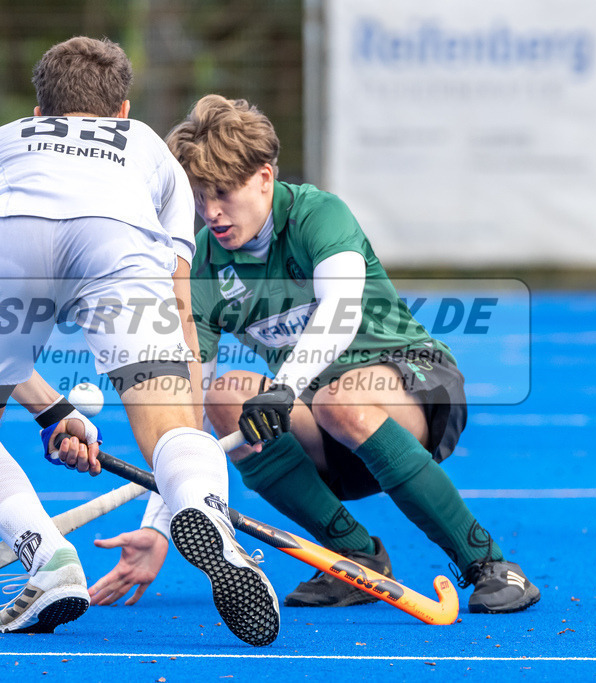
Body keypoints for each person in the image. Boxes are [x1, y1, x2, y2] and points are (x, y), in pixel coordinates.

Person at [88, 94, 540, 615]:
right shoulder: (205, 268)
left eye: (223, 192)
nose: (210, 212)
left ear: (264, 176)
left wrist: (283, 389)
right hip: (326, 422)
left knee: (338, 397)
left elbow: (340, 314)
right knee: (225, 397)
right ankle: (354, 558)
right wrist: (160, 528)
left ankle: (488, 563)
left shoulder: (317, 215)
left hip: (418, 386)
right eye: (198, 195)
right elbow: (185, 418)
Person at [0, 42, 279, 646]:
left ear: (38, 112)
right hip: (116, 235)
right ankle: (208, 510)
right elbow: (181, 312)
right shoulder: (147, 149)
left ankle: (49, 560)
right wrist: (183, 457)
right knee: (170, 430)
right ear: (122, 108)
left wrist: (50, 410)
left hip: (13, 231)